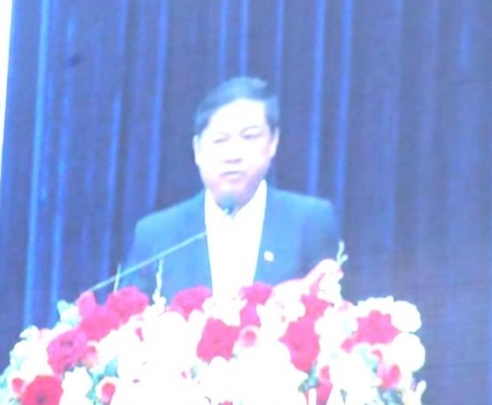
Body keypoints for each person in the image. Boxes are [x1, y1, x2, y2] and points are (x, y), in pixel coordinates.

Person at [123, 76, 342, 302]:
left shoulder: (310, 221)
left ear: (273, 142)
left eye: (249, 137)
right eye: (220, 140)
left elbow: (333, 313)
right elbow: (128, 318)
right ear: (197, 150)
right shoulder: (157, 234)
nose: (233, 154)